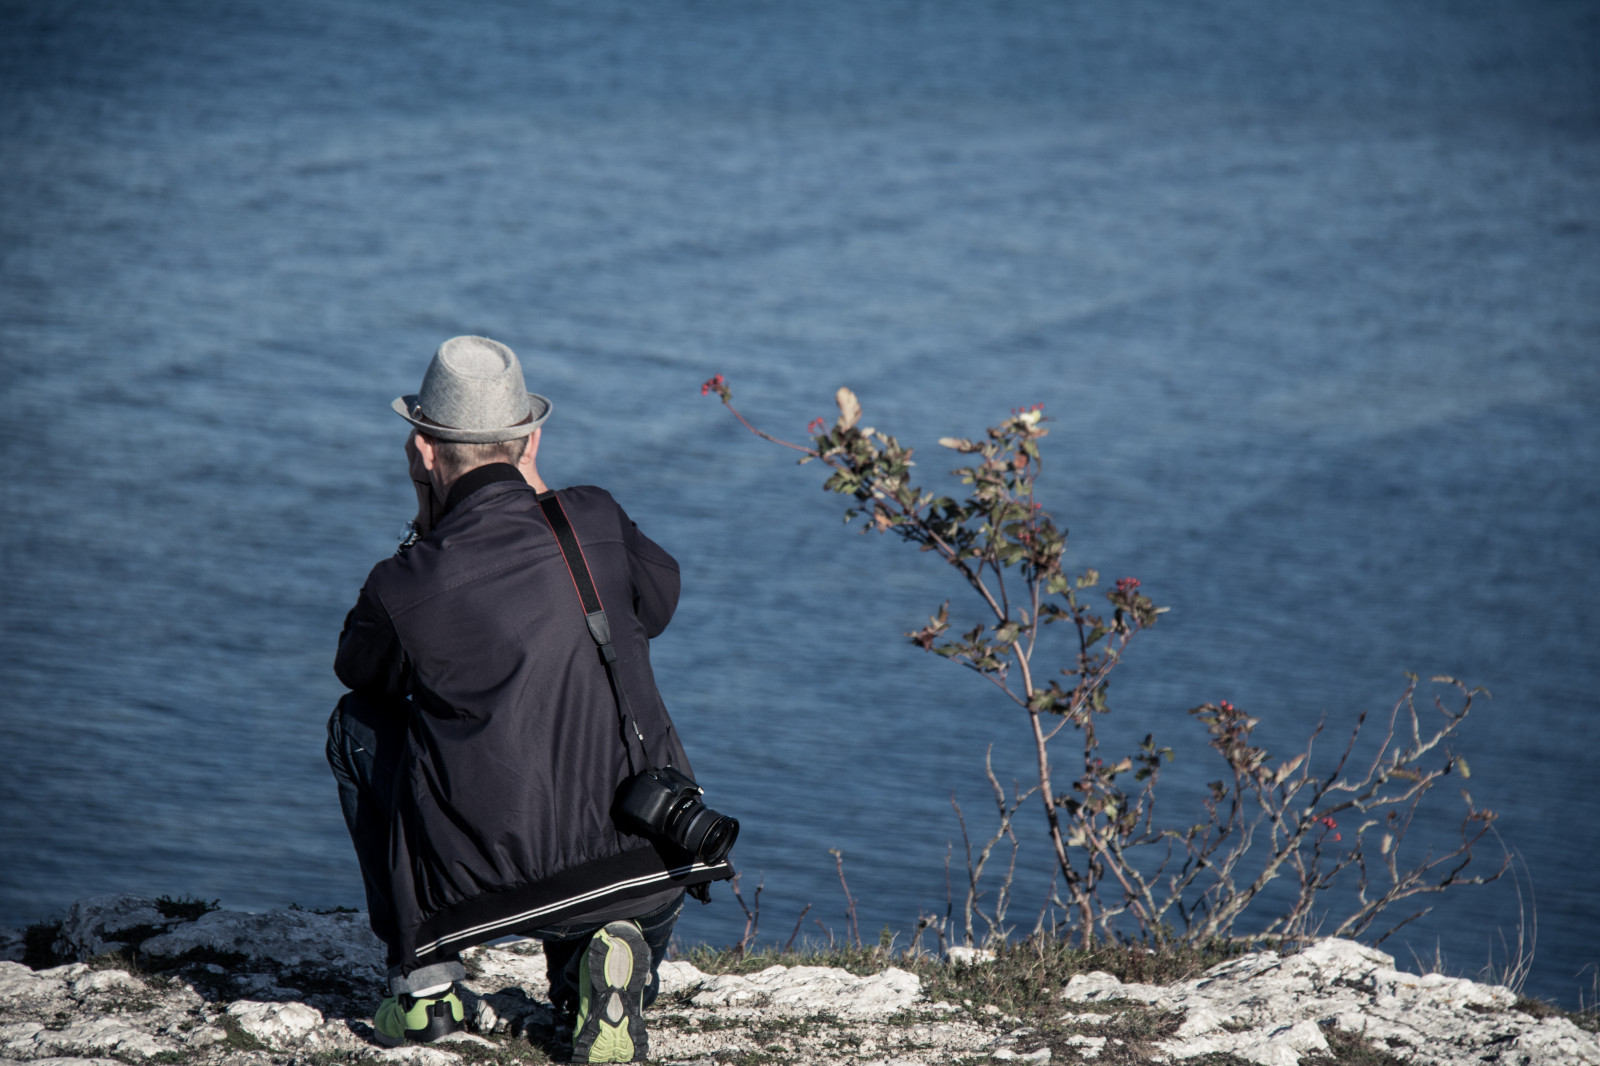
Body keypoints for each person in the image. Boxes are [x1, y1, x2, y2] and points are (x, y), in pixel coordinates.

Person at [326, 336, 733, 1062]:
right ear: (531, 440)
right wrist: (543, 500)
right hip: (650, 856)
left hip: (489, 885)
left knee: (355, 727)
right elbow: (658, 605)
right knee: (605, 914)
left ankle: (426, 990)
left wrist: (426, 529)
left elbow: (361, 674)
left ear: (423, 450)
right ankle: (601, 971)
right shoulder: (596, 518)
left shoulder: (405, 583)